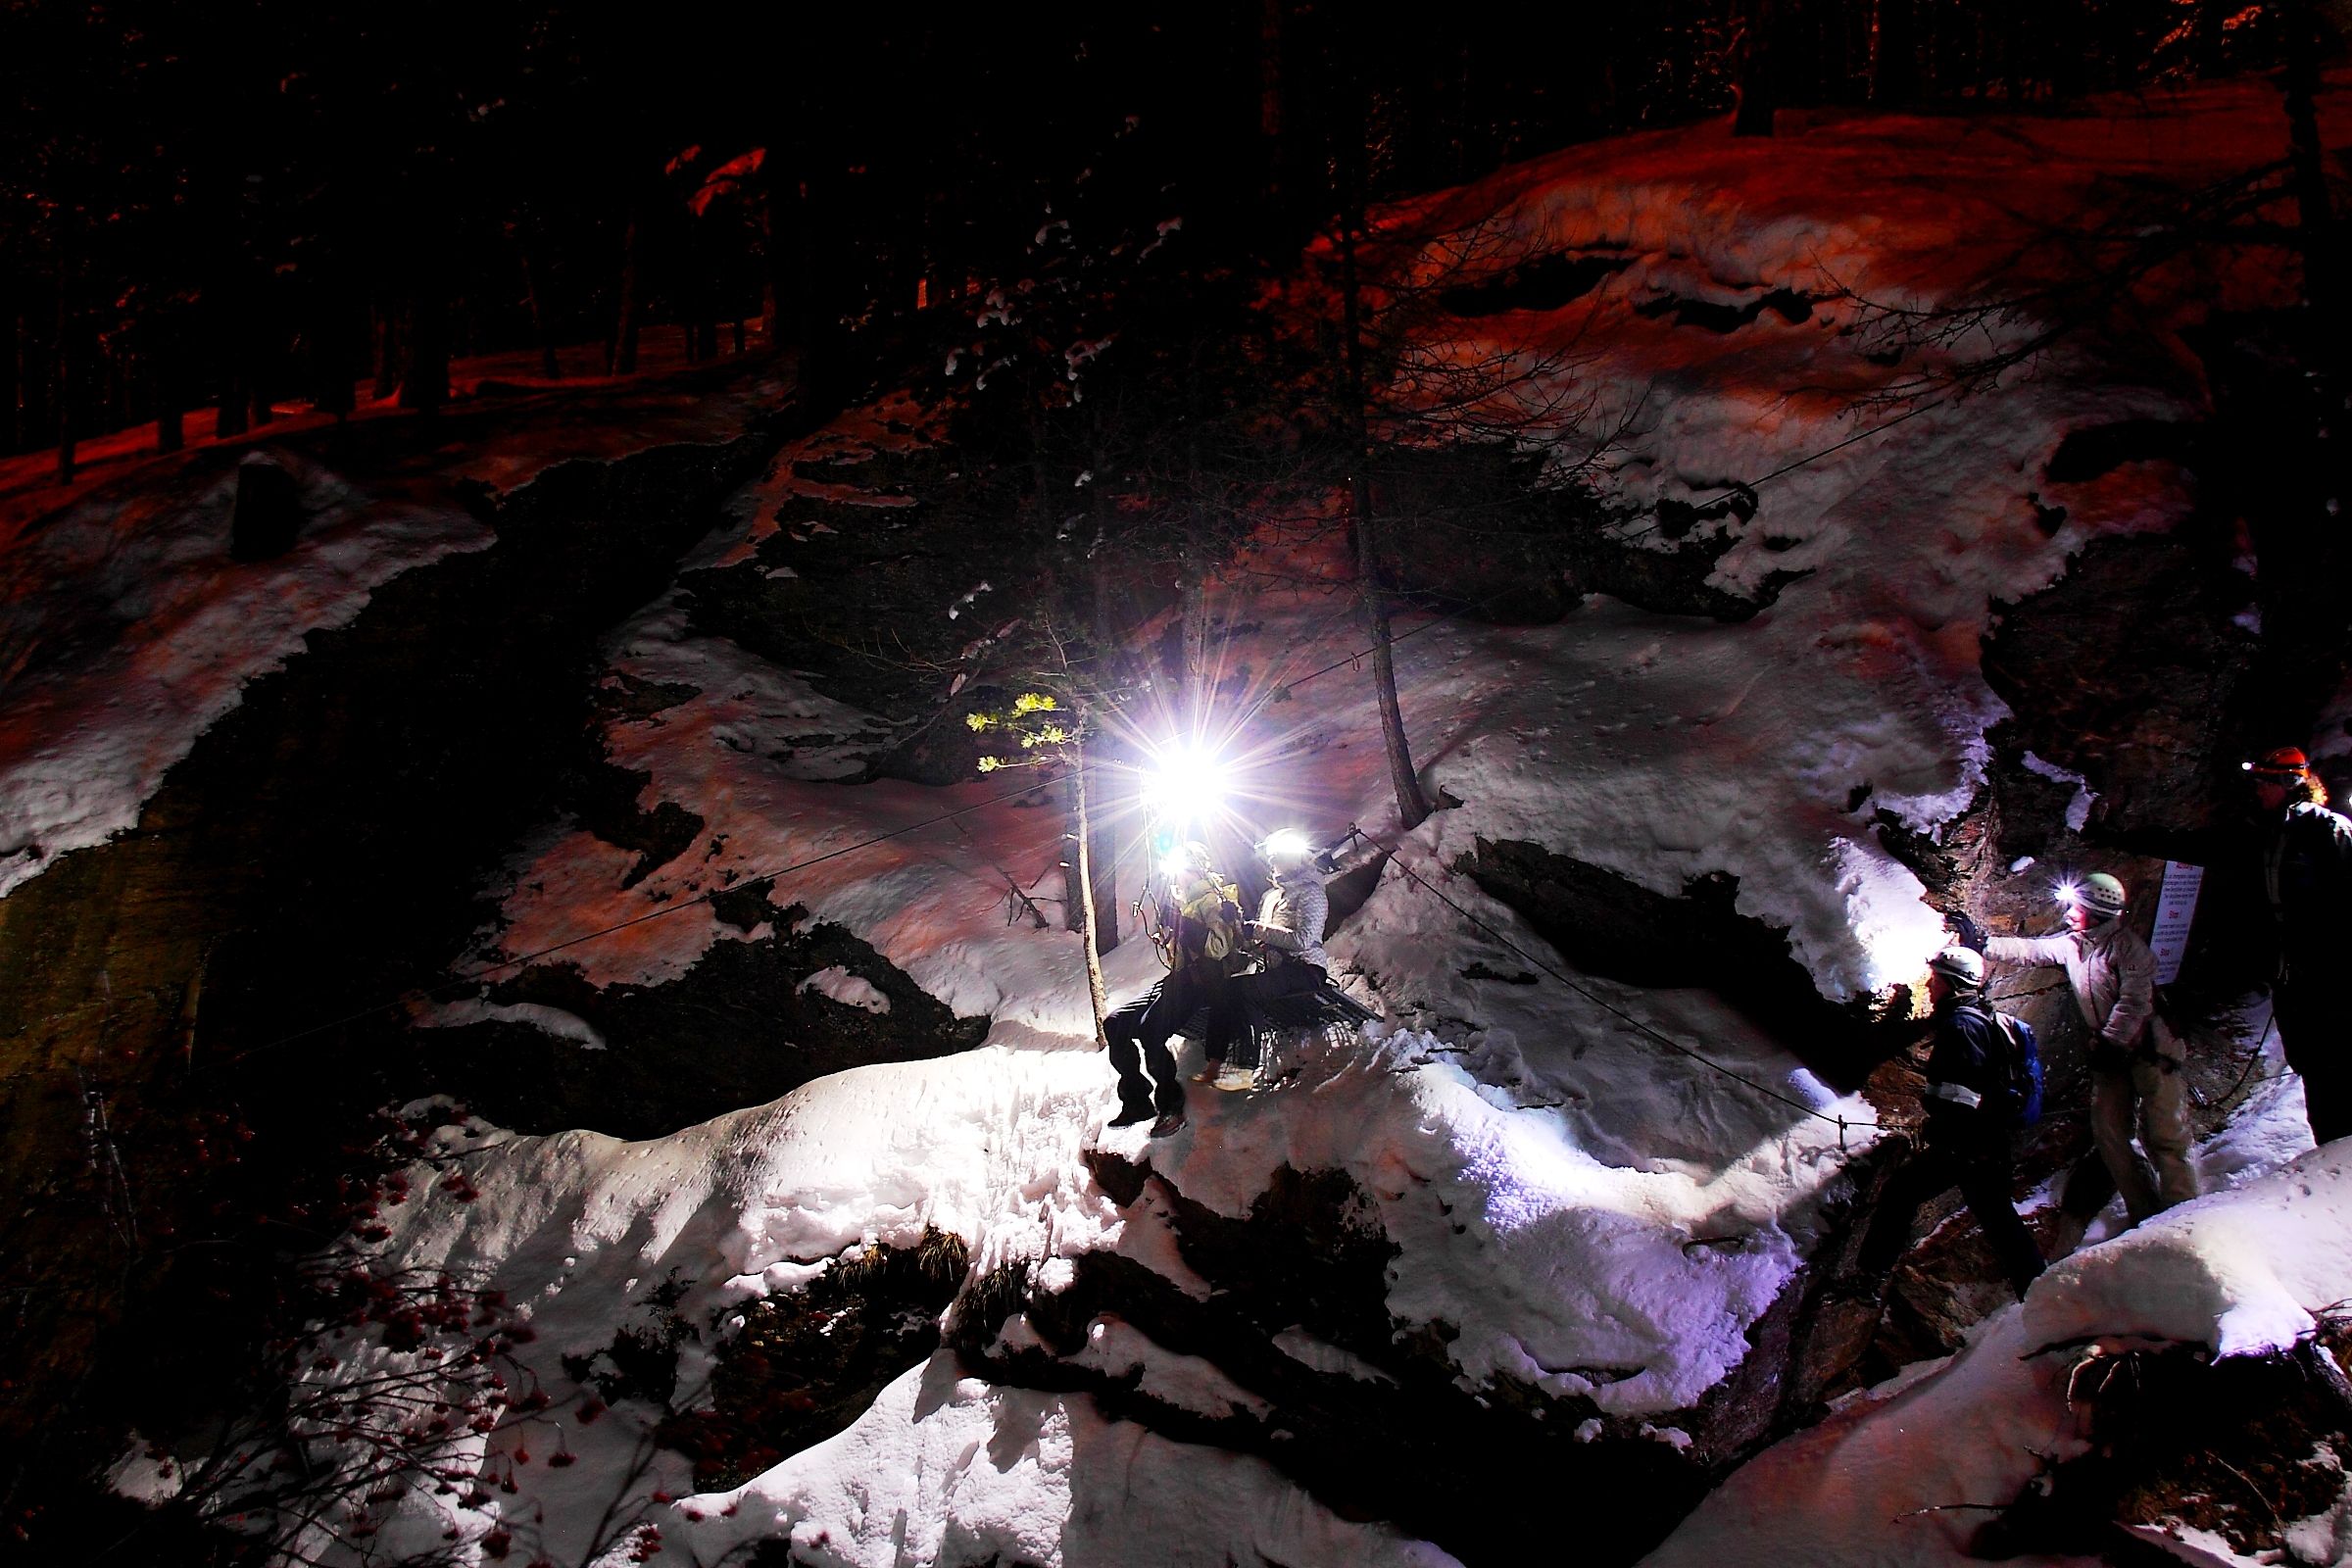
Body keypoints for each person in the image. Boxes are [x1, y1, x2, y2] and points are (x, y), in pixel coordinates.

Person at [1979, 872, 2195, 1225]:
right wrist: (1985, 943)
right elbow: (2035, 951)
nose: (2069, 913)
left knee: (2165, 1134)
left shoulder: (2128, 949)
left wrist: (2111, 1041)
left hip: (2150, 1051)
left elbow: (2134, 1003)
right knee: (2110, 1133)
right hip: (2110, 1052)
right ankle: (2146, 1214)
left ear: (2096, 912)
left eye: (2077, 907)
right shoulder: (2075, 944)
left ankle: (2183, 1214)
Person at [1855, 947, 2045, 1299]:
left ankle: (1868, 1280)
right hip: (1984, 1144)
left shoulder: (1962, 1026)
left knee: (1901, 1193)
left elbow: (1965, 1092)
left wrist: (1940, 1131)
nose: (1930, 985)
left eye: (1936, 978)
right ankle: (2040, 1290)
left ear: (1952, 984)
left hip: (1968, 1146)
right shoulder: (1982, 1016)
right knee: (2000, 1223)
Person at [2245, 747, 2352, 1143]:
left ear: (2288, 784)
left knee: (2335, 1063)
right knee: (2309, 1061)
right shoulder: (2270, 833)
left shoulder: (2329, 830)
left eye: (2264, 782)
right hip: (2291, 975)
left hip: (2330, 975)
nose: (2257, 790)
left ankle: (2341, 1154)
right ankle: (2329, 1150)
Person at [1103, 841, 1244, 1137]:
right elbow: (1179, 956)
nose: (1176, 877)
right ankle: (1136, 1099)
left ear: (1193, 869)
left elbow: (1218, 949)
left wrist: (1184, 925)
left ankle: (1171, 1106)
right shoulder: (1185, 903)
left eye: (1181, 870)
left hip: (1201, 985)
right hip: (1178, 981)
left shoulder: (1213, 900)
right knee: (1114, 1023)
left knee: (1152, 1031)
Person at [1200, 831, 1332, 1091]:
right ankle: (1214, 1062)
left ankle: (1245, 1067)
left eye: (1278, 858)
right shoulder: (1270, 897)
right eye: (1271, 859)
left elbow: (1303, 939)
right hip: (1276, 971)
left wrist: (1257, 929)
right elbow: (1254, 944)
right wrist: (1237, 924)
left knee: (1244, 990)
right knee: (1225, 988)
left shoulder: (1312, 893)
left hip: (1306, 968)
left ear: (1295, 858)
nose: (1273, 863)